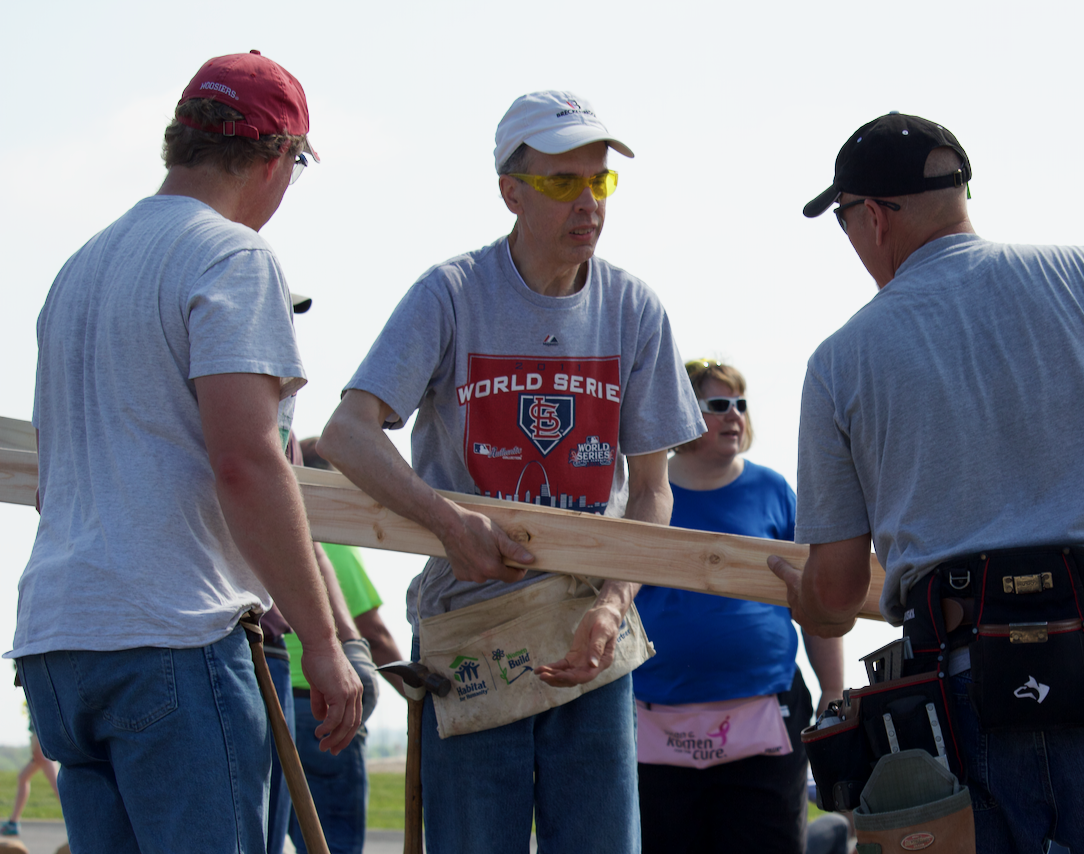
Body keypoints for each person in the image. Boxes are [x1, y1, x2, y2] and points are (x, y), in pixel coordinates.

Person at [768, 112, 1084, 853]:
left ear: (872, 217)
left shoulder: (841, 359)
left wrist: (812, 605)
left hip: (957, 697)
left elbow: (833, 594)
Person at [318, 90, 703, 854]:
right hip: (472, 630)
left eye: (601, 183)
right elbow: (346, 435)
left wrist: (617, 602)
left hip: (590, 630)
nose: (588, 203)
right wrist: (448, 524)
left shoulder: (632, 308)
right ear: (511, 192)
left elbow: (654, 489)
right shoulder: (453, 293)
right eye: (564, 183)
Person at [5, 51, 362, 854]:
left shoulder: (80, 267)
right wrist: (323, 641)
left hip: (60, 641)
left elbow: (52, 479)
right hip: (168, 633)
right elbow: (247, 462)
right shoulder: (232, 255)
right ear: (278, 156)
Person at [632, 359, 844, 854]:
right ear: (682, 412)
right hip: (655, 719)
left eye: (740, 405)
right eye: (719, 405)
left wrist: (833, 688)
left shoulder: (774, 492)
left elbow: (816, 600)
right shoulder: (639, 495)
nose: (735, 416)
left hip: (767, 715)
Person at [286, 437, 406, 854]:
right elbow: (372, 633)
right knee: (331, 843)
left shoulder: (260, 534)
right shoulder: (328, 541)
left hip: (271, 700)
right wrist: (418, 698)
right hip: (322, 708)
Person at [1, 709, 59, 838]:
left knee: (58, 788)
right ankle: (13, 822)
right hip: (41, 755)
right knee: (23, 778)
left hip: (42, 755)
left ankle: (13, 822)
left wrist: (38, 753)